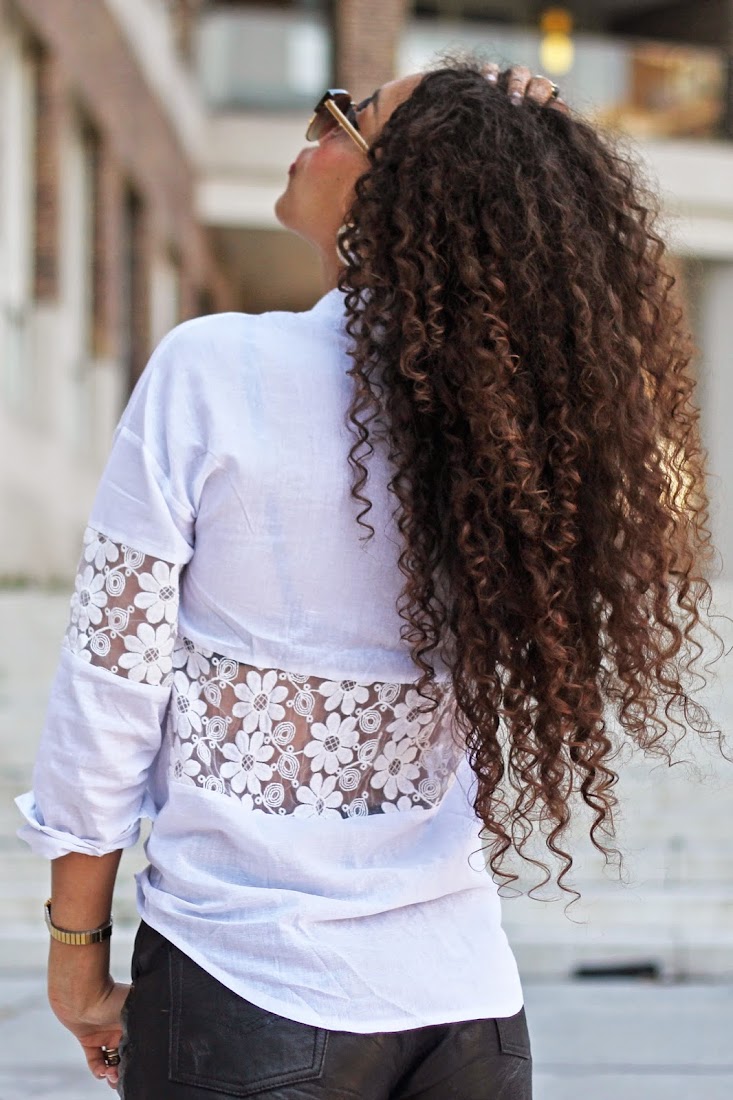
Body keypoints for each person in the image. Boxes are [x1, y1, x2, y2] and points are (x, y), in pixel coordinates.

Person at [16, 52, 727, 1100]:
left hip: (250, 986)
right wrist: (506, 140)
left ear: (400, 188)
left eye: (344, 118)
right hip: (465, 1013)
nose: (314, 130)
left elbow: (108, 689)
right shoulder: (506, 439)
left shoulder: (212, 371)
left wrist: (77, 952)